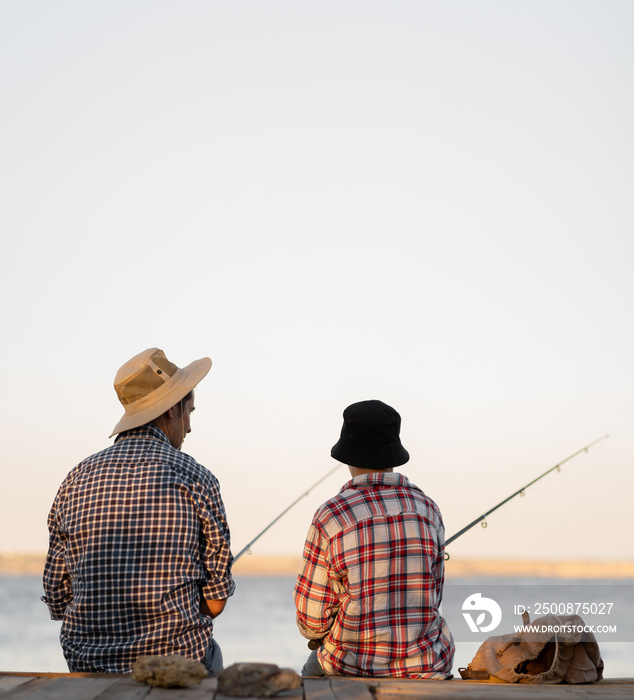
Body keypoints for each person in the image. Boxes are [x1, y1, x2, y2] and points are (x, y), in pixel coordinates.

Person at [42, 348, 234, 674]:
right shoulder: (196, 477)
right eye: (189, 413)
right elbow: (216, 599)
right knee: (211, 652)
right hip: (176, 662)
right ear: (172, 410)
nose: (188, 428)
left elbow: (57, 597)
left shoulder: (75, 479)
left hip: (87, 664)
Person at [294, 399, 454, 678]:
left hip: (350, 666)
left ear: (348, 456)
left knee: (309, 675)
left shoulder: (331, 515)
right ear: (394, 454)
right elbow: (434, 596)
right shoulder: (428, 509)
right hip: (427, 666)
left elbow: (312, 622)